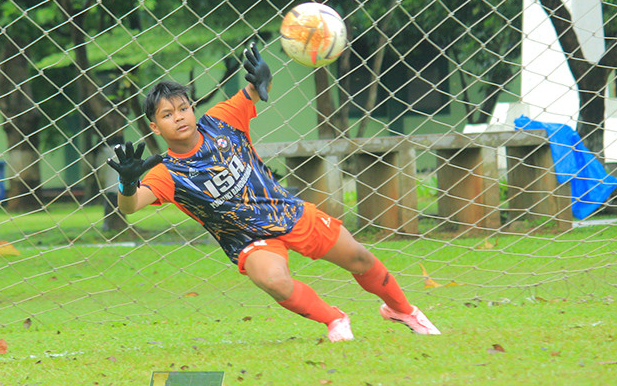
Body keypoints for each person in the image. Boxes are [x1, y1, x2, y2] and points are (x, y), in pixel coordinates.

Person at [107, 43, 440, 341]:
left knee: (359, 258)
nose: (178, 117)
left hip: (286, 212)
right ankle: (335, 320)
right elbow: (131, 206)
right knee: (273, 280)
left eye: (182, 108)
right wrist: (126, 183)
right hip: (249, 240)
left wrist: (262, 79)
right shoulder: (167, 172)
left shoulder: (221, 120)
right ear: (155, 127)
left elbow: (254, 90)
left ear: (192, 109)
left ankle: (404, 310)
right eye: (167, 114)